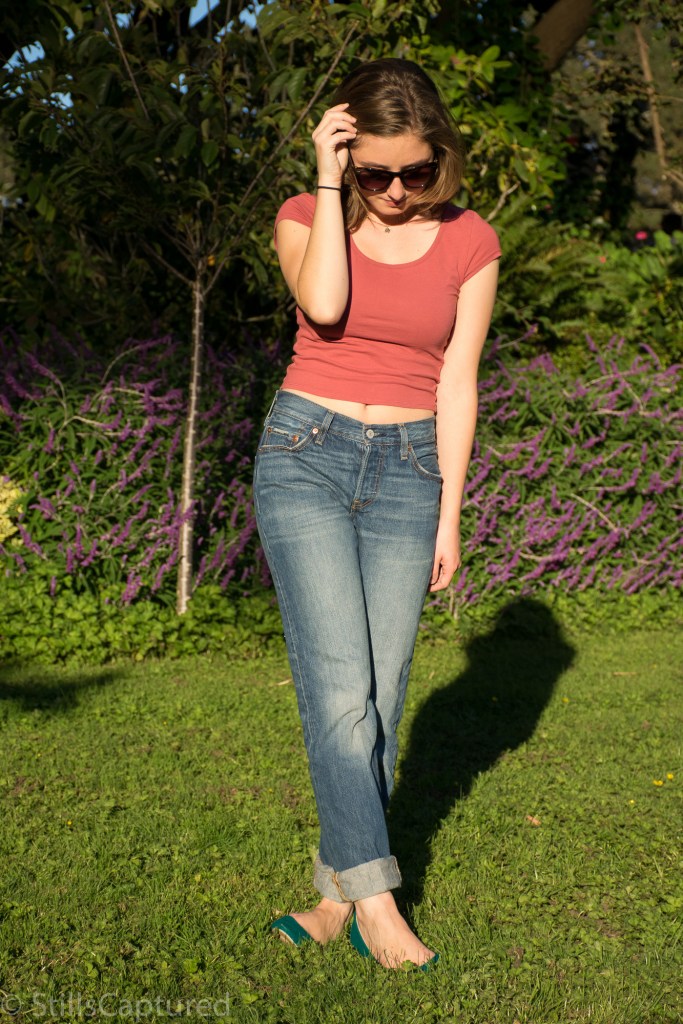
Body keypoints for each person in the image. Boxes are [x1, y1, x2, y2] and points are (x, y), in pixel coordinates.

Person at [253, 58, 500, 971]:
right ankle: (380, 906)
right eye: (374, 174)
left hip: (408, 470)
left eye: (416, 172)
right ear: (346, 159)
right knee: (338, 691)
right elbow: (322, 305)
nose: (396, 191)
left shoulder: (471, 240)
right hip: (305, 455)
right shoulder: (303, 215)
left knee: (381, 696)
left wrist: (450, 514)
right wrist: (328, 184)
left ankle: (333, 900)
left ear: (441, 156)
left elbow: (457, 382)